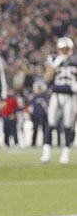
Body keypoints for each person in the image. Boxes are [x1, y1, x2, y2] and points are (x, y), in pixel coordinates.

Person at [41, 36, 77, 164]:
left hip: (70, 96)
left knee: (68, 125)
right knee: (50, 123)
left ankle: (66, 152)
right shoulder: (53, 59)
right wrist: (56, 64)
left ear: (71, 49)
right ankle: (46, 152)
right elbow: (47, 78)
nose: (64, 52)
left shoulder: (75, 61)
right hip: (56, 94)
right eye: (62, 49)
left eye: (66, 49)